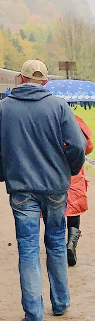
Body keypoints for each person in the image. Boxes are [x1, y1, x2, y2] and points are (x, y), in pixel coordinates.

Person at [0, 60, 85, 321]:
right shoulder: (59, 106)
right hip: (55, 188)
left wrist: (6, 175)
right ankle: (61, 303)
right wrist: (69, 171)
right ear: (46, 81)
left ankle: (33, 316)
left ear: (20, 78)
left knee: (27, 248)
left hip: (22, 189)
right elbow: (77, 145)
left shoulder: (5, 108)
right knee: (55, 241)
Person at [66, 114, 92, 265]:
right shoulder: (77, 121)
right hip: (75, 174)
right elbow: (88, 147)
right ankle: (71, 243)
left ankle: (55, 247)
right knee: (74, 210)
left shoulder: (49, 118)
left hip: (55, 173)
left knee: (55, 210)